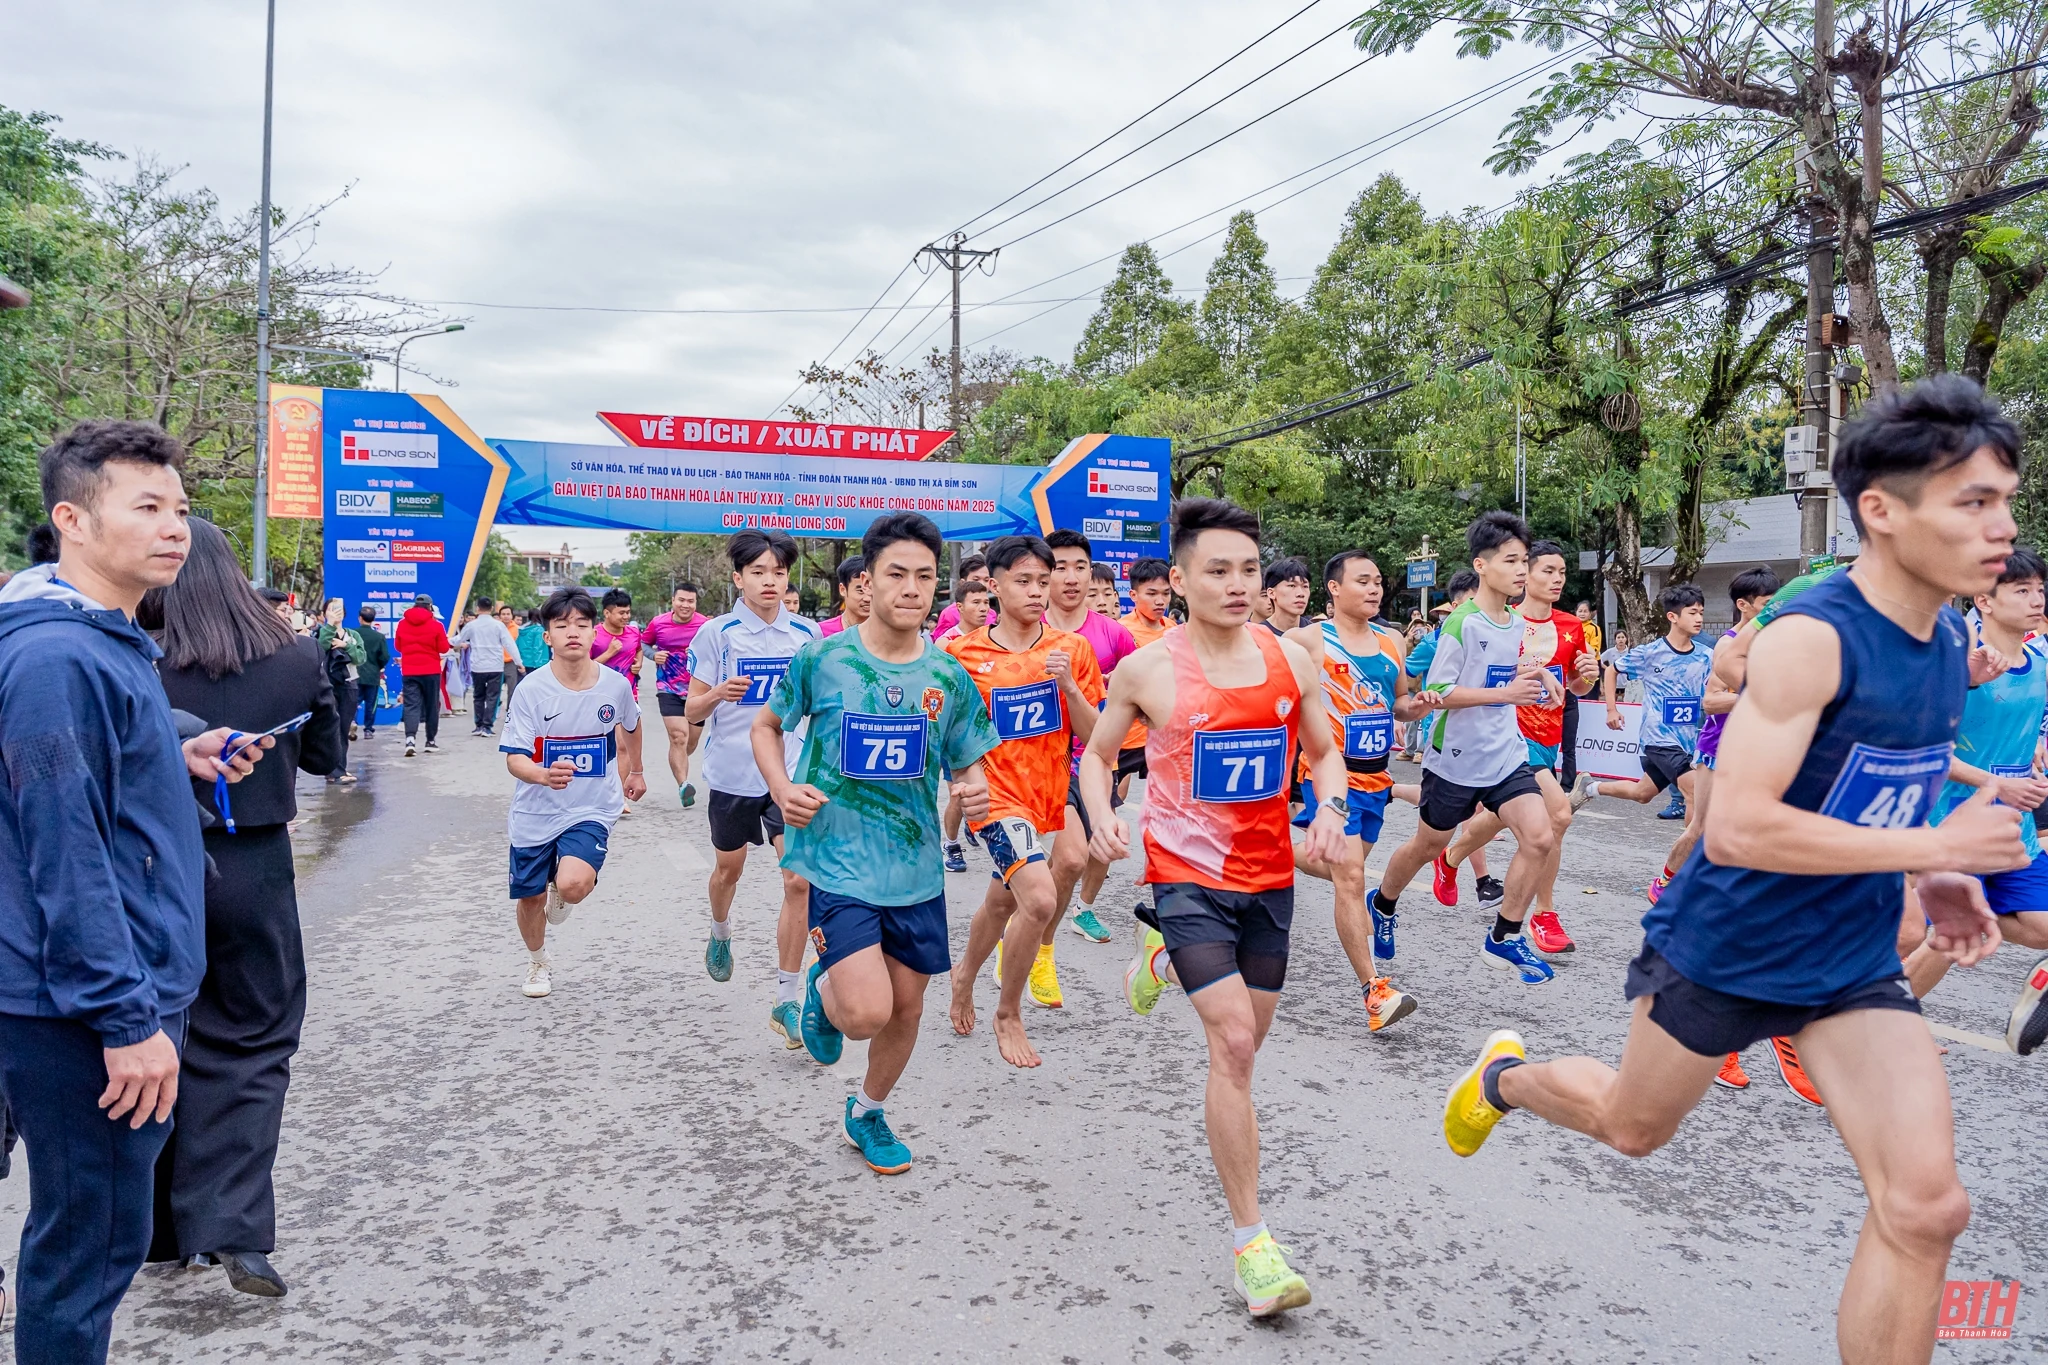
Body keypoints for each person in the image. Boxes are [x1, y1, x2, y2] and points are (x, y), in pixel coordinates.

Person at [1442, 375, 2029, 1365]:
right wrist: (1935, 849)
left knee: (1926, 1208)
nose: (2000, 526)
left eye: (2004, 499)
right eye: (1972, 501)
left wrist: (1927, 878)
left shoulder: (1942, 647)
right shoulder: (1809, 639)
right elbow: (1740, 830)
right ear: (1880, 512)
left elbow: (1877, 788)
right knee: (1631, 1129)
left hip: (1846, 961)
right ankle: (1503, 1079)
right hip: (1727, 943)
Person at [0, 419, 271, 1364]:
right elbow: (63, 850)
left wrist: (177, 750)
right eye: (147, 506)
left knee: (90, 1239)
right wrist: (124, 1018)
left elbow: (88, 782)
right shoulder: (55, 656)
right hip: (80, 1004)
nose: (176, 528)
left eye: (182, 509)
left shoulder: (105, 639)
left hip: (98, 988)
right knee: (88, 1246)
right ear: (73, 519)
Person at [1080, 496, 1350, 1318]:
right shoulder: (1149, 670)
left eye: (1249, 570)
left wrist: (1330, 810)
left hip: (1268, 880)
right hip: (1185, 878)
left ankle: (1156, 957)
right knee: (1233, 1042)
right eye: (1218, 570)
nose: (1238, 585)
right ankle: (1254, 1245)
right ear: (1181, 579)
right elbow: (1097, 760)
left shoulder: (1289, 661)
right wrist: (1102, 816)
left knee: (1250, 1040)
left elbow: (1324, 751)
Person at [754, 513, 998, 1174]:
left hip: (915, 868)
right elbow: (767, 726)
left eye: (925, 576)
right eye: (897, 573)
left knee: (907, 1006)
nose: (912, 587)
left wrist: (973, 792)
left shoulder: (947, 677)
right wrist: (781, 788)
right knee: (865, 1012)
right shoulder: (824, 658)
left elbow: (969, 758)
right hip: (836, 858)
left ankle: (866, 1110)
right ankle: (824, 987)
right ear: (867, 580)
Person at [146, 517, 343, 1298]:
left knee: (154, 1038)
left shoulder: (134, 655)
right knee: (256, 1041)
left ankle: (157, 1230)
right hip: (255, 865)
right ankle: (232, 1228)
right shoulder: (296, 655)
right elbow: (328, 755)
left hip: (154, 867)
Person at [1365, 511, 1561, 987]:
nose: (1522, 570)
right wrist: (1506, 694)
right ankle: (1383, 902)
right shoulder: (1461, 624)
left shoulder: (1514, 621)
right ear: (1481, 565)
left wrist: (1538, 678)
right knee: (1428, 845)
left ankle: (1505, 935)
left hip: (1505, 754)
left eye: (1524, 561)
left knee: (1539, 835)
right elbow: (1441, 692)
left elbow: (1501, 674)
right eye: (1511, 561)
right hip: (1454, 757)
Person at [943, 535, 1105, 1065]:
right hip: (994, 799)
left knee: (1001, 900)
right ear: (992, 586)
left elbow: (1095, 736)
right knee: (1038, 897)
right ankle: (1008, 1012)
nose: (1040, 590)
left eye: (1045, 579)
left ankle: (964, 972)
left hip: (1048, 796)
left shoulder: (1071, 651)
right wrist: (960, 785)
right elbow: (945, 733)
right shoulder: (962, 654)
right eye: (1025, 581)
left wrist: (1071, 688)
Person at [1285, 550, 1433, 1030]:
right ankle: (1375, 990)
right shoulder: (1306, 640)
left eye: (1377, 582)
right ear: (1333, 588)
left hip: (1375, 778)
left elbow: (1399, 705)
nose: (1374, 589)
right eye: (1362, 581)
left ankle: (1269, 846)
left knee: (1345, 866)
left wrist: (1421, 706)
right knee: (1350, 876)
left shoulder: (1391, 641)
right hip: (1326, 773)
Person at [1909, 548, 2048, 1054]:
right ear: (1984, 601)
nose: (2037, 599)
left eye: (2039, 589)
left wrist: (2036, 751)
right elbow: (1925, 748)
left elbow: (2035, 723)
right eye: (2022, 590)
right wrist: (1997, 783)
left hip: (2014, 829)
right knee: (1948, 938)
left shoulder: (2042, 658)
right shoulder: (1954, 664)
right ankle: (1884, 1021)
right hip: (1953, 823)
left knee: (2041, 929)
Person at [1433, 540, 1599, 955]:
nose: (1556, 579)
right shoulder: (1501, 620)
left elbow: (1572, 690)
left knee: (1503, 817)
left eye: (1562, 572)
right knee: (1557, 814)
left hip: (1548, 735)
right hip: (1507, 734)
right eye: (1546, 570)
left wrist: (1587, 676)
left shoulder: (1570, 626)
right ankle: (1543, 914)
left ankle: (1451, 857)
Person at [686, 532, 817, 1011]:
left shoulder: (807, 635)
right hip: (733, 774)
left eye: (779, 573)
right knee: (728, 870)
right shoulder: (716, 634)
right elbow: (692, 710)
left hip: (790, 775)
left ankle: (788, 996)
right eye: (759, 572)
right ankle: (720, 930)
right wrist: (719, 692)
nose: (770, 582)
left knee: (798, 880)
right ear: (738, 578)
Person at [498, 588, 646, 999]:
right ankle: (538, 961)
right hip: (536, 811)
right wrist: (542, 775)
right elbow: (513, 758)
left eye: (582, 624)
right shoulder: (531, 690)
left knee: (573, 885)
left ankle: (563, 889)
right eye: (562, 626)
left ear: (594, 630)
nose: (573, 633)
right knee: (530, 900)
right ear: (548, 636)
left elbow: (632, 724)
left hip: (591, 806)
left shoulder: (614, 686)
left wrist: (636, 769)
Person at [1685, 566, 1783, 1090]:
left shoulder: (1788, 643)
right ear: (1746, 605)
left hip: (1772, 770)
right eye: (1767, 601)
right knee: (1705, 840)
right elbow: (1710, 700)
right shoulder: (1729, 646)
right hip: (1723, 755)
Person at [1572, 583, 1716, 906]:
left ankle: (1590, 788)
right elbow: (1611, 670)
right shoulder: (1651, 653)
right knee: (1694, 790)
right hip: (1659, 739)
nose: (1699, 618)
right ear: (1672, 617)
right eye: (1692, 613)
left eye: (1702, 613)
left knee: (1642, 793)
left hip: (1689, 740)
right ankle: (1680, 877)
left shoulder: (1708, 656)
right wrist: (1611, 709)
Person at [1040, 529, 1137, 956]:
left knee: (1096, 849)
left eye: (1080, 566)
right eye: (1060, 567)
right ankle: (1038, 941)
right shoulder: (1025, 627)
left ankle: (1066, 916)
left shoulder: (1113, 635)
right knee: (1072, 857)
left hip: (1094, 758)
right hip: (1037, 761)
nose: (1072, 577)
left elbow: (1141, 690)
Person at [938, 577, 995, 866]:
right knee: (959, 796)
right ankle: (950, 843)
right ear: (960, 607)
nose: (983, 608)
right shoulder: (947, 643)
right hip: (956, 732)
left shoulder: (995, 638)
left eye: (986, 602)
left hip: (990, 730)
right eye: (976, 602)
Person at [640, 584, 710, 806]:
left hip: (698, 690)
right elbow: (643, 643)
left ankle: (678, 760)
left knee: (690, 742)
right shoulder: (658, 623)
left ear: (696, 603)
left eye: (690, 601)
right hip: (668, 687)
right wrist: (653, 654)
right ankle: (684, 785)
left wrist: (700, 653)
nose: (685, 605)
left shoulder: (705, 625)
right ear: (673, 600)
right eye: (681, 600)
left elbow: (719, 650)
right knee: (679, 737)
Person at [314, 597, 365, 783]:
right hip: (326, 685)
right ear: (324, 613)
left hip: (349, 684)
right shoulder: (321, 632)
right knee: (330, 728)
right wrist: (329, 625)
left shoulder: (353, 635)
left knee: (343, 728)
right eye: (332, 609)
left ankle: (339, 769)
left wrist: (346, 646)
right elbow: (320, 648)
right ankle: (333, 770)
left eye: (339, 609)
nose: (337, 612)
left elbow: (360, 658)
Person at [394, 592, 451, 757]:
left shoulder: (402, 624)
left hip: (410, 670)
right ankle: (430, 741)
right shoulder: (436, 625)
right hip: (431, 670)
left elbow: (398, 646)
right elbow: (444, 648)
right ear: (430, 607)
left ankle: (410, 739)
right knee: (432, 705)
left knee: (411, 705)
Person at [456, 596, 514, 737]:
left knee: (478, 696)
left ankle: (478, 725)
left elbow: (459, 639)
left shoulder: (472, 625)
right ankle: (487, 726)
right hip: (495, 666)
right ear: (492, 609)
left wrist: (445, 641)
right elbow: (509, 644)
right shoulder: (498, 625)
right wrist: (519, 662)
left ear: (477, 608)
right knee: (493, 697)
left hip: (478, 666)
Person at [593, 587, 643, 701]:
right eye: (621, 613)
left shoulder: (634, 633)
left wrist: (638, 663)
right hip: (601, 695)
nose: (626, 617)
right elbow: (584, 667)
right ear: (607, 613)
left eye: (628, 612)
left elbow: (639, 649)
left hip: (629, 694)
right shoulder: (593, 635)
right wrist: (609, 653)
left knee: (635, 719)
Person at [355, 605, 390, 740]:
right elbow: (385, 656)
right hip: (372, 675)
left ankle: (351, 722)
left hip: (355, 674)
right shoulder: (379, 637)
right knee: (371, 703)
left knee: (353, 702)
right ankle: (368, 729)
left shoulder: (352, 633)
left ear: (360, 618)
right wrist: (377, 666)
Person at [932, 552, 988, 636]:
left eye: (986, 580)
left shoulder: (991, 614)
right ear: (962, 582)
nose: (982, 584)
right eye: (976, 579)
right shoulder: (949, 614)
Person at [819, 555, 871, 636]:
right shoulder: (821, 633)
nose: (867, 598)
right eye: (860, 591)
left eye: (871, 590)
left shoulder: (889, 634)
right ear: (842, 589)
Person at [1261, 557, 1310, 634]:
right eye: (1292, 586)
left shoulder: (1316, 635)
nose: (1301, 594)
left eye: (1305, 586)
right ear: (1271, 593)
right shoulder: (1257, 636)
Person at [496, 603, 524, 702]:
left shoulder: (518, 629)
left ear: (512, 615)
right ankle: (495, 710)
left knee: (512, 688)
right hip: (496, 661)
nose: (506, 616)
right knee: (495, 688)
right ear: (500, 616)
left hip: (511, 662)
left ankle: (510, 710)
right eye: (503, 614)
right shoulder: (495, 628)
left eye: (508, 614)